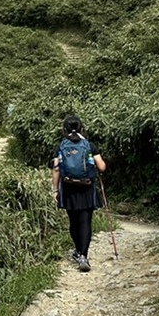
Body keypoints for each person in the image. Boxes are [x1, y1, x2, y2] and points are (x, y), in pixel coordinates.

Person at [50, 115, 107, 272]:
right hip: (86, 188)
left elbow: (56, 169)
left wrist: (55, 190)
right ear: (82, 128)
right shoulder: (89, 145)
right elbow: (101, 167)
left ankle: (77, 251)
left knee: (73, 222)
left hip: (68, 188)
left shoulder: (60, 146)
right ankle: (84, 256)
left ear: (64, 130)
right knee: (85, 222)